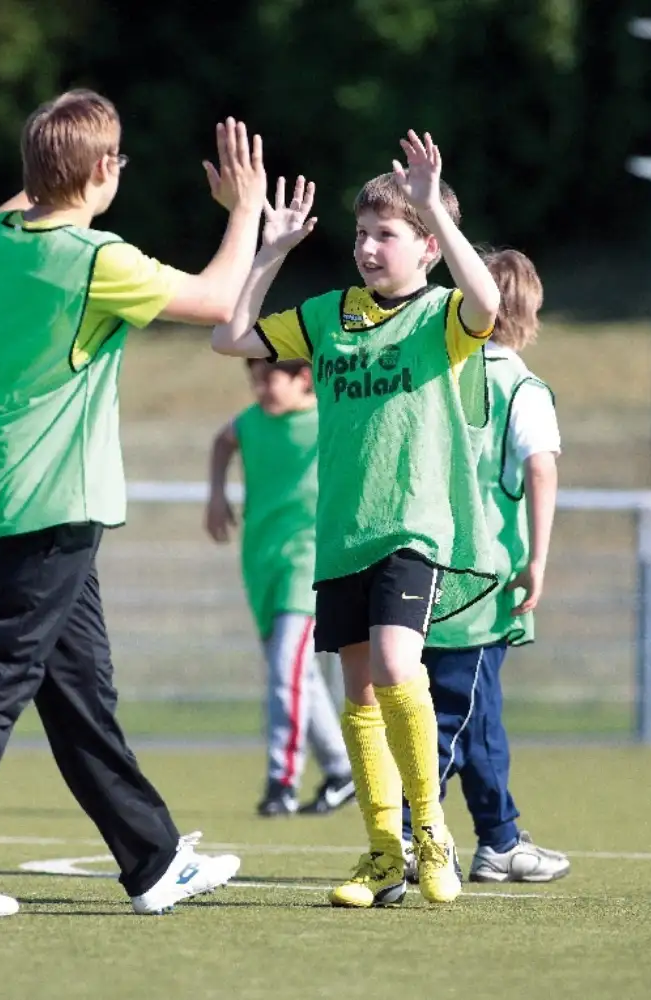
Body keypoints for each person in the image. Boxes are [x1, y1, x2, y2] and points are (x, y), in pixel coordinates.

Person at [0, 89, 271, 917]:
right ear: (100, 171)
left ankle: (152, 862)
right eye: (115, 159)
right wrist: (245, 209)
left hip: (9, 490)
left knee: (80, 689)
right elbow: (216, 300)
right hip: (50, 500)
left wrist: (47, 165)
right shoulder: (97, 259)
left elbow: (13, 214)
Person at [211, 132, 501, 908]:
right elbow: (229, 337)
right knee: (359, 696)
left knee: (399, 668)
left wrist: (439, 208)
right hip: (342, 532)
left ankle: (430, 831)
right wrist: (270, 253)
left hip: (413, 527)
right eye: (362, 233)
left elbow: (489, 304)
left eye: (387, 234)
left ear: (428, 247)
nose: (368, 248)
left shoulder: (441, 314)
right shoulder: (330, 315)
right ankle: (381, 854)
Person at [401, 249, 570, 883]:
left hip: (420, 562)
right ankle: (409, 835)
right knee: (452, 713)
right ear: (529, 312)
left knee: (478, 713)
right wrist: (539, 560)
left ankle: (499, 838)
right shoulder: (519, 386)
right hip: (481, 574)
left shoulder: (436, 374)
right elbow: (540, 468)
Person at [205, 358, 354, 818]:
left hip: (308, 562)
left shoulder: (330, 418)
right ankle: (342, 770)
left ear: (302, 378)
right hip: (261, 561)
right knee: (295, 674)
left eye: (269, 379)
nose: (260, 389)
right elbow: (222, 442)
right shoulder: (251, 422)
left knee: (286, 669)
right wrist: (216, 494)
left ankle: (281, 780)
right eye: (254, 380)